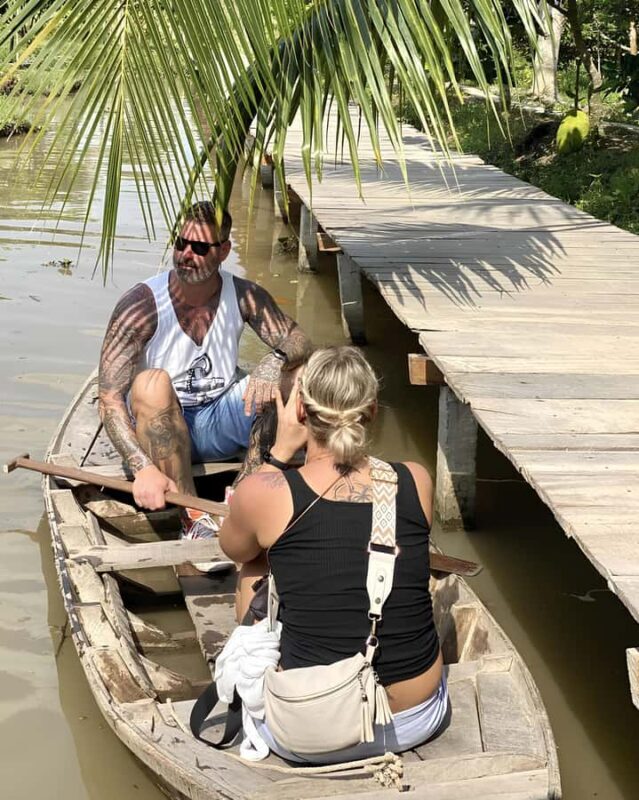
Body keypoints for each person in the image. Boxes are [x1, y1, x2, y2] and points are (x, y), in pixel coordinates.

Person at [218, 346, 447, 763]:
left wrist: (278, 456)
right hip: (418, 716)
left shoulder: (265, 494)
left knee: (254, 557)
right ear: (373, 410)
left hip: (312, 727)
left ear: (300, 411)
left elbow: (231, 547)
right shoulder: (416, 478)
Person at [98, 200, 312, 538]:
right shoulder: (141, 305)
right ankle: (192, 513)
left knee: (298, 376)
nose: (186, 254)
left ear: (224, 250)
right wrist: (142, 467)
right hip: (159, 428)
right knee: (152, 383)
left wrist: (275, 361)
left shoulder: (243, 295)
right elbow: (109, 397)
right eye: (181, 243)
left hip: (220, 417)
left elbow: (297, 338)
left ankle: (242, 496)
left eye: (199, 247)